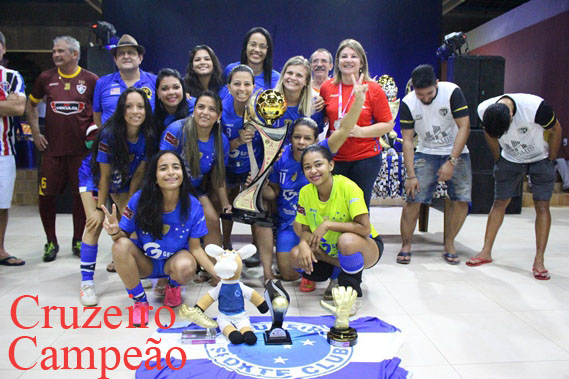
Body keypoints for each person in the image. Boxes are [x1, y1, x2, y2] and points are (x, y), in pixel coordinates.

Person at [265, 73, 368, 292]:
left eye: (307, 138)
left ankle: (338, 272)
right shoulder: (278, 157)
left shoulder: (321, 155)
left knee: (321, 252)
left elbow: (344, 129)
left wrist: (359, 101)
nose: (301, 142)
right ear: (290, 137)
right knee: (288, 273)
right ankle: (317, 268)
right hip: (289, 223)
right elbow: (272, 192)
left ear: (315, 140)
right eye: (297, 137)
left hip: (318, 225)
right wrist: (258, 187)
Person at [102, 151, 218, 325]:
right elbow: (121, 237)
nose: (171, 172)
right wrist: (113, 231)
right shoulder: (139, 200)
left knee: (187, 265)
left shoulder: (193, 204)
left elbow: (196, 248)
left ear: (182, 175)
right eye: (163, 168)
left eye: (176, 167)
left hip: (175, 262)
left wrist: (218, 273)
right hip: (146, 262)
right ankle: (140, 301)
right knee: (119, 246)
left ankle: (173, 286)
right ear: (155, 177)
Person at [467, 94, 562, 280]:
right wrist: (498, 159)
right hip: (509, 159)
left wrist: (550, 160)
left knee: (542, 206)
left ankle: (539, 260)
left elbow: (556, 129)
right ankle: (485, 252)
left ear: (511, 116)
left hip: (540, 157)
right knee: (499, 202)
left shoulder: (536, 108)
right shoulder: (484, 109)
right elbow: (490, 135)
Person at [77, 87, 156, 306]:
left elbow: (140, 172)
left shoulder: (148, 134)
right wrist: (100, 208)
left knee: (130, 223)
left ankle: (134, 270)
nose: (135, 111)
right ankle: (87, 283)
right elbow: (104, 176)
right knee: (94, 223)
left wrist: (128, 209)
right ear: (121, 110)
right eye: (129, 106)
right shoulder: (110, 133)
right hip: (94, 177)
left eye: (140, 106)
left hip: (125, 180)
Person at [27, 36, 98, 262]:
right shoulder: (46, 78)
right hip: (53, 152)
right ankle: (51, 241)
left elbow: (99, 111)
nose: (56, 55)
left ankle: (78, 239)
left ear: (74, 54)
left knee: (81, 197)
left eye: (61, 51)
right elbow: (31, 104)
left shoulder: (91, 79)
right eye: (54, 51)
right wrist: (36, 133)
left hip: (81, 153)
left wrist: (96, 136)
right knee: (46, 196)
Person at [291, 144, 384, 315]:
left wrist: (328, 224)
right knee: (296, 255)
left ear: (331, 165)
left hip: (365, 246)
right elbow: (304, 229)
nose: (313, 171)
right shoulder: (305, 192)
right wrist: (304, 243)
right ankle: (335, 272)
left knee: (346, 241)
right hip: (329, 250)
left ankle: (352, 293)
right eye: (307, 167)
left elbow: (364, 229)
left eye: (318, 164)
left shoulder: (348, 187)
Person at [398, 64, 471, 265]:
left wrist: (452, 161)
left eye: (429, 93)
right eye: (421, 95)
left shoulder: (452, 92)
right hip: (426, 151)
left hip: (457, 151)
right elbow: (408, 140)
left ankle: (449, 243)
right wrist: (411, 175)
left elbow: (464, 126)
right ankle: (406, 245)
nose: (426, 98)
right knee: (413, 198)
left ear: (436, 84)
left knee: (462, 198)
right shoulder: (408, 103)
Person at [320, 39, 394, 209]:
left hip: (365, 158)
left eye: (354, 56)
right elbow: (323, 118)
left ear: (361, 62)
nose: (348, 60)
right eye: (344, 56)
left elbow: (388, 124)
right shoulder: (327, 87)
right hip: (335, 157)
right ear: (337, 62)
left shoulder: (373, 89)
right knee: (335, 206)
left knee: (358, 208)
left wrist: (360, 131)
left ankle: (362, 236)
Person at [160, 91, 231, 249]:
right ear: (194, 110)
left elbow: (218, 177)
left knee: (212, 219)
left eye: (212, 109)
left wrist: (225, 203)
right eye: (201, 107)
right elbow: (161, 167)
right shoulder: (177, 130)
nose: (205, 113)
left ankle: (213, 269)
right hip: (167, 188)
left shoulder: (221, 141)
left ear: (219, 115)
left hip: (194, 190)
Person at [0, 31, 26, 266]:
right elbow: (8, 105)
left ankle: (0, 250)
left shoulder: (11, 77)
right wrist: (3, 103)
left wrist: (10, 104)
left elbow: (18, 108)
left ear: (3, 49)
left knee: (1, 204)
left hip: (3, 151)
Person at [93, 34, 157, 127]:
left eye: (131, 53)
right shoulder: (102, 83)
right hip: (111, 140)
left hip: (146, 140)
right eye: (121, 53)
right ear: (115, 59)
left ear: (140, 58)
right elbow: (97, 115)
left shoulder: (155, 81)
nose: (126, 56)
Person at [220, 27, 280, 99]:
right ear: (245, 47)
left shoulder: (276, 79)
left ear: (268, 51)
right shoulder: (230, 70)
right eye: (253, 44)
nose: (257, 50)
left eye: (262, 46)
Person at [273, 56, 325, 139]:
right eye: (289, 73)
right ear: (283, 76)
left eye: (299, 75)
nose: (293, 78)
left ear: (306, 82)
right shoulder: (267, 101)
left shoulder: (315, 106)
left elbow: (314, 140)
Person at [154, 68, 194, 138]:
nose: (171, 92)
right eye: (164, 89)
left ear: (183, 89)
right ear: (158, 93)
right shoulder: (153, 115)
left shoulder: (197, 108)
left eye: (176, 87)